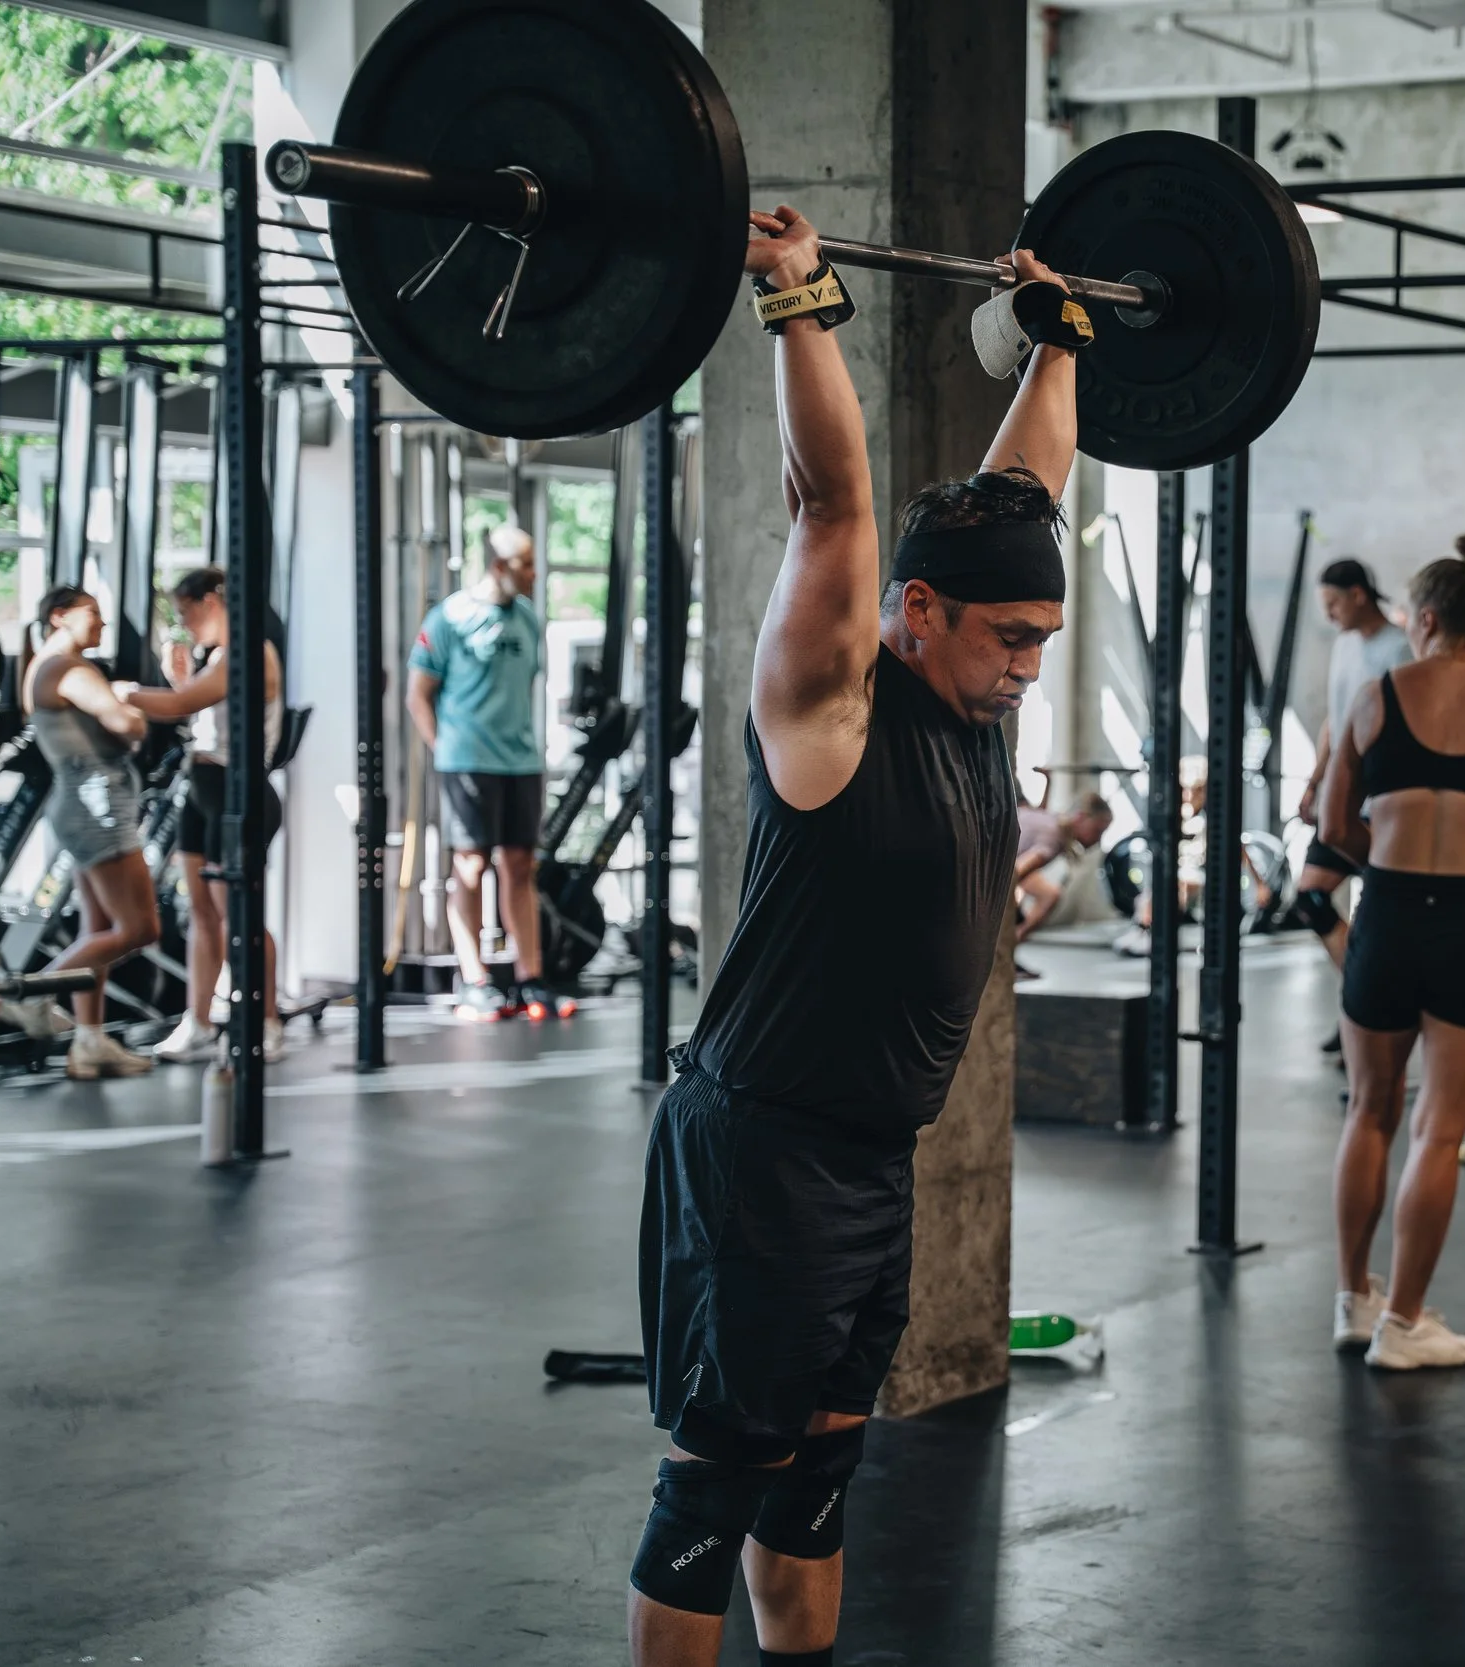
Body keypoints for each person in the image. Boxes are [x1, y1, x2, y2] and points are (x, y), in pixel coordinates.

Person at [625, 205, 1077, 1667]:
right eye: (1009, 638)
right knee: (712, 1495)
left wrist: (1057, 341)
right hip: (762, 1154)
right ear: (919, 612)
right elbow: (836, 507)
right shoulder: (835, 708)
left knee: (817, 1485)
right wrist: (799, 299)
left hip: (875, 1162)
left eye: (1043, 642)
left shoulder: (975, 689)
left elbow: (1027, 489)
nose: (1026, 667)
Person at [1319, 533, 1465, 1371]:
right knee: (1438, 1130)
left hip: (1385, 912)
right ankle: (1405, 1324)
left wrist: (1388, 841)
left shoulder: (1377, 696)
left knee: (1368, 1110)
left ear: (1424, 618)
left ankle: (1355, 1301)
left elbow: (1332, 828)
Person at [406, 523, 572, 1022]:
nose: (534, 572)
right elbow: (418, 696)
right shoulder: (449, 618)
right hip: (467, 763)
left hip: (520, 761)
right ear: (499, 567)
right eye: (525, 564)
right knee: (470, 868)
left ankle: (530, 978)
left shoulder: (527, 619)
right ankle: (474, 980)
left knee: (521, 867)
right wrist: (446, 749)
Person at [0, 587, 161, 1078]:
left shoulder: (42, 667)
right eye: (94, 614)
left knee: (97, 932)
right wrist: (129, 699)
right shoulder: (67, 669)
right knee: (140, 929)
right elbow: (125, 720)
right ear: (59, 617)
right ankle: (32, 993)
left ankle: (89, 1041)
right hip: (97, 805)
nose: (103, 625)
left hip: (81, 802)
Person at [121, 566, 286, 1063]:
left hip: (240, 789)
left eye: (186, 613)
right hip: (204, 785)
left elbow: (182, 704)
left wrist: (121, 692)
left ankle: (268, 1020)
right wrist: (179, 681)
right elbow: (199, 706)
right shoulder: (215, 656)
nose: (184, 625)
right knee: (202, 915)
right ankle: (198, 1022)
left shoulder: (251, 652)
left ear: (212, 602)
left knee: (241, 916)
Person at [1293, 558, 1414, 1054]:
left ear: (1359, 594)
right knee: (1311, 899)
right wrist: (1316, 781)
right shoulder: (1344, 646)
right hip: (1341, 795)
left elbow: (1407, 727)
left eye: (1334, 603)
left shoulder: (1400, 649)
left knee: (1373, 914)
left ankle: (1369, 1011)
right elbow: (1333, 720)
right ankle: (1362, 1002)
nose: (1330, 615)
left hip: (1380, 799)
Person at [1014, 792, 1113, 953]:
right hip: (995, 864)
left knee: (1050, 894)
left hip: (1005, 861)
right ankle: (1009, 945)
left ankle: (1011, 947)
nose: (1098, 840)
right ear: (1081, 817)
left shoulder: (1054, 822)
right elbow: (1015, 872)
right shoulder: (1054, 837)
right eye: (1097, 831)